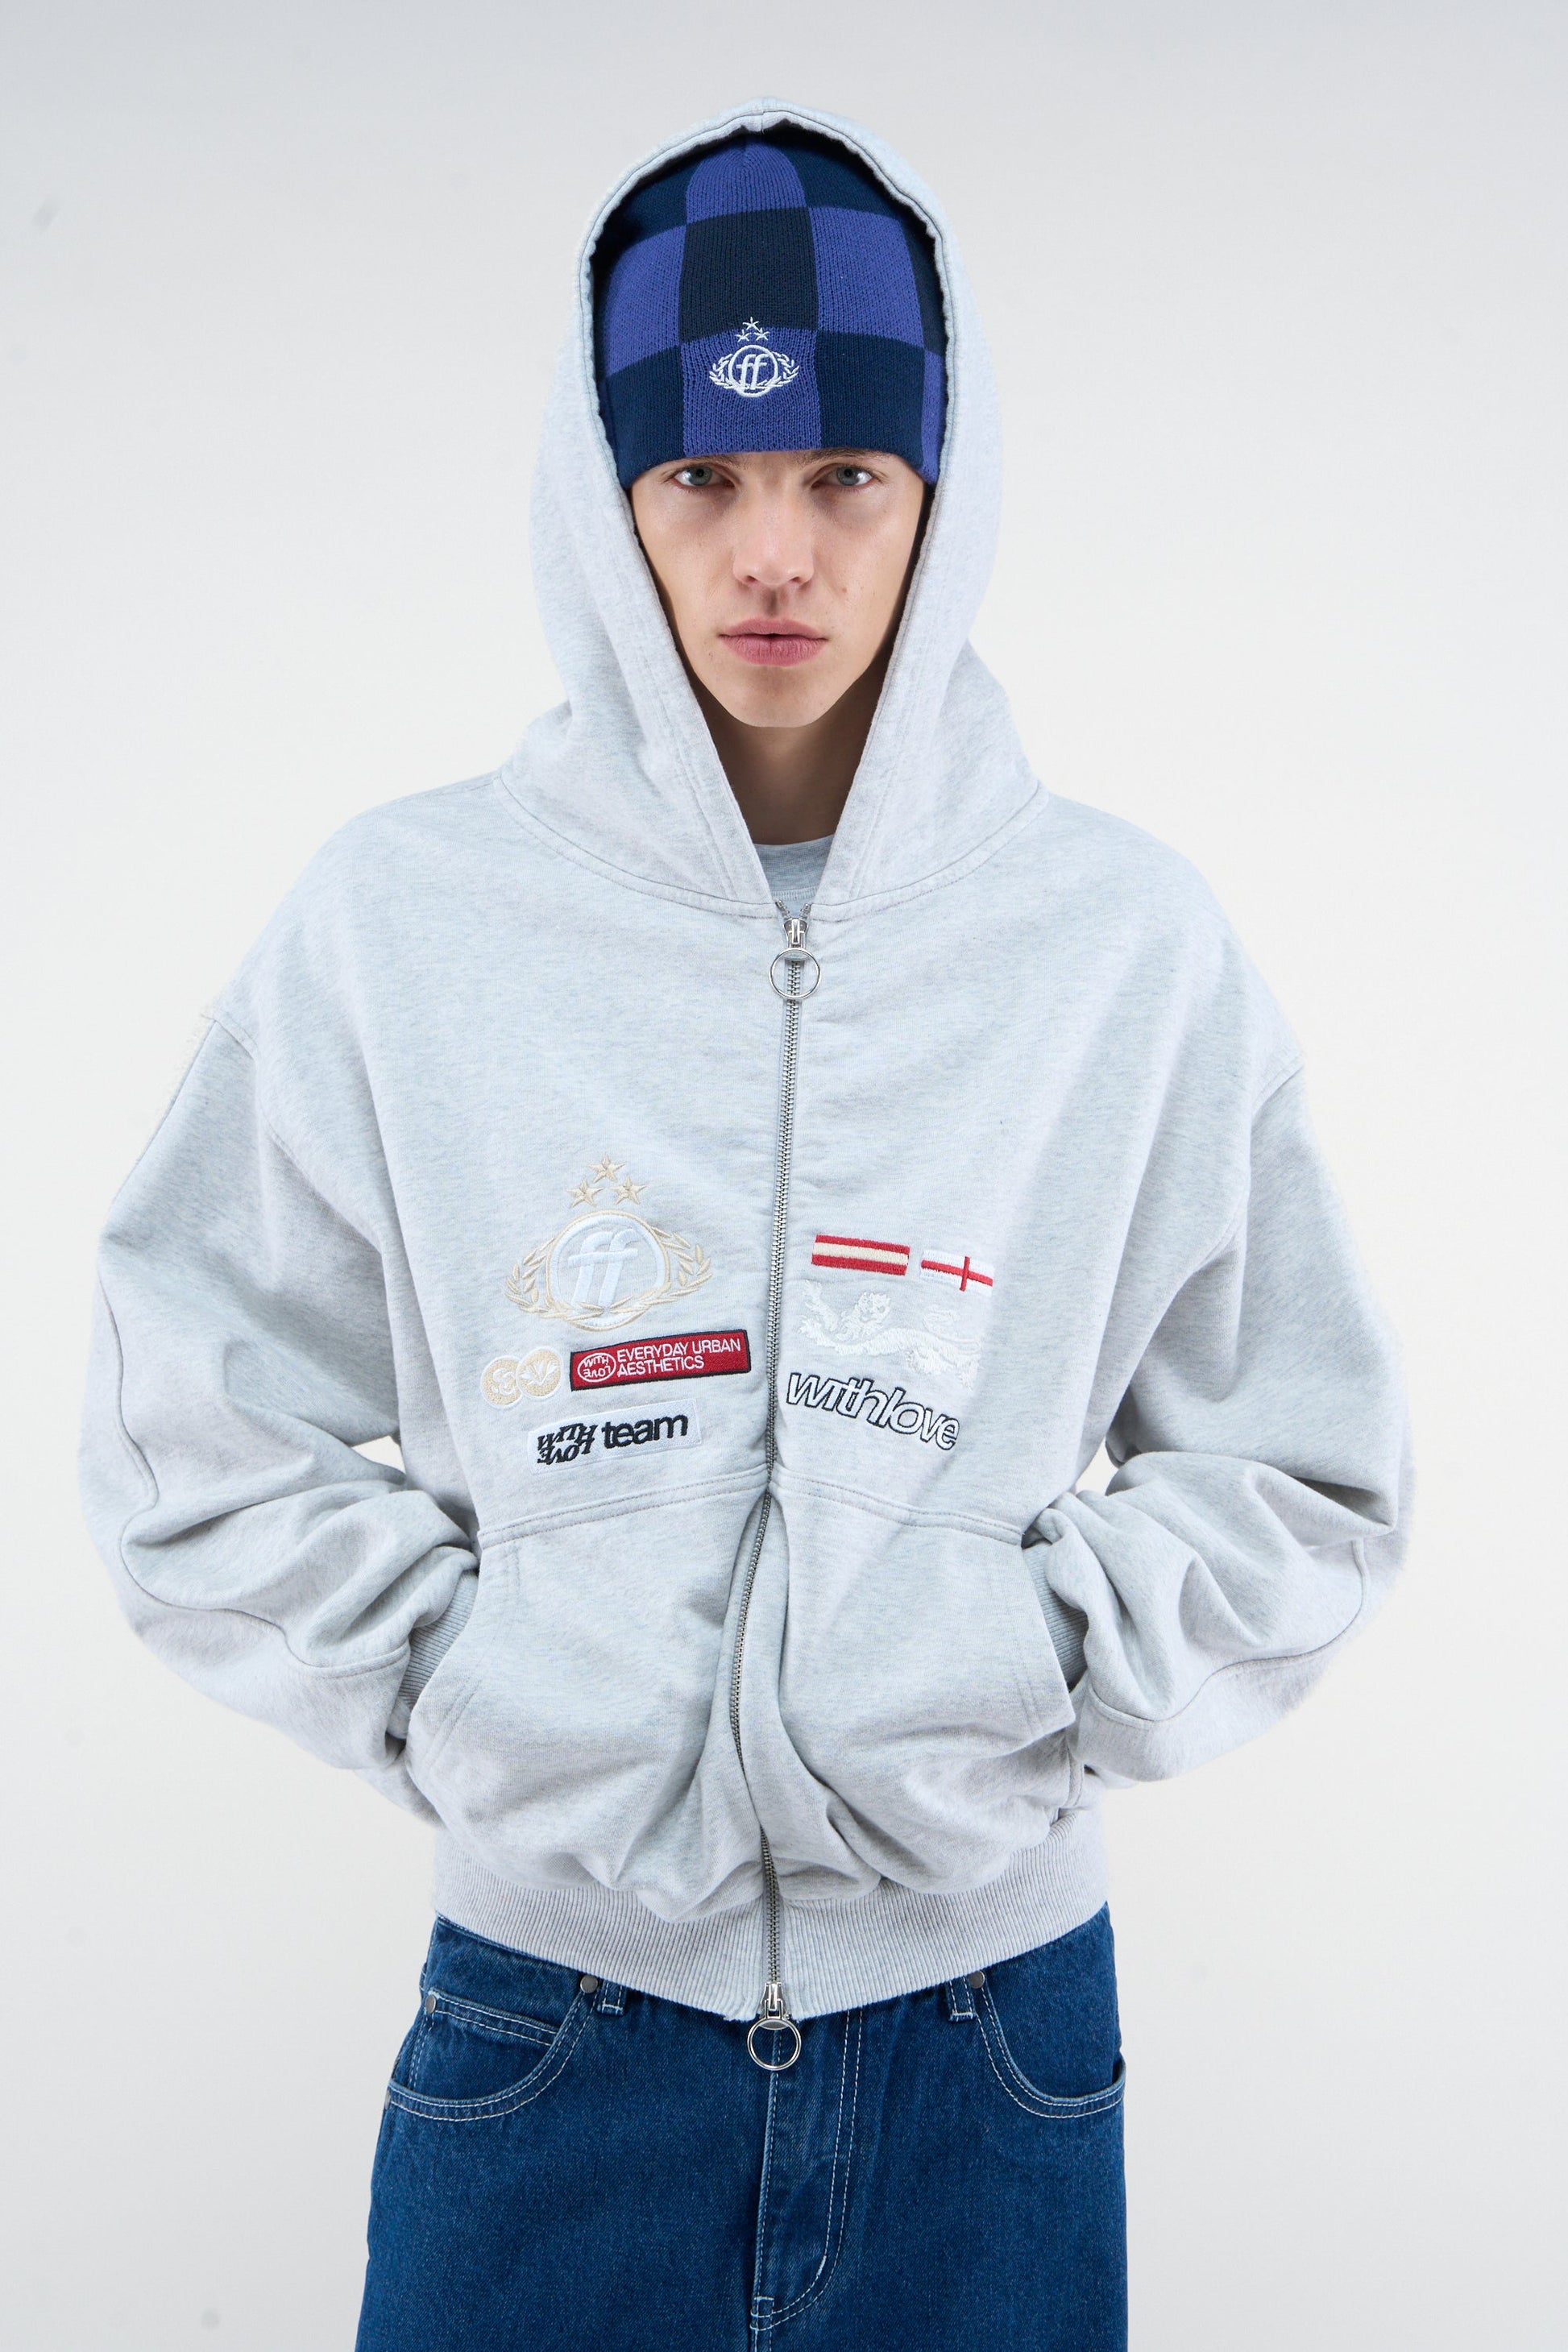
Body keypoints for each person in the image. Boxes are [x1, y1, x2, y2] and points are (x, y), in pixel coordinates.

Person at [80, 102, 1410, 2352]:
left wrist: (1022, 1671)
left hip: (991, 2046)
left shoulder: (1118, 946)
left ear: (940, 491)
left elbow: (1309, 1467)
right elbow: (183, 1420)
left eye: (843, 475)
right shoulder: (407, 925)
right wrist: (472, 1690)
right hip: (549, 2024)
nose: (771, 550)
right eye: (700, 473)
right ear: (602, 495)